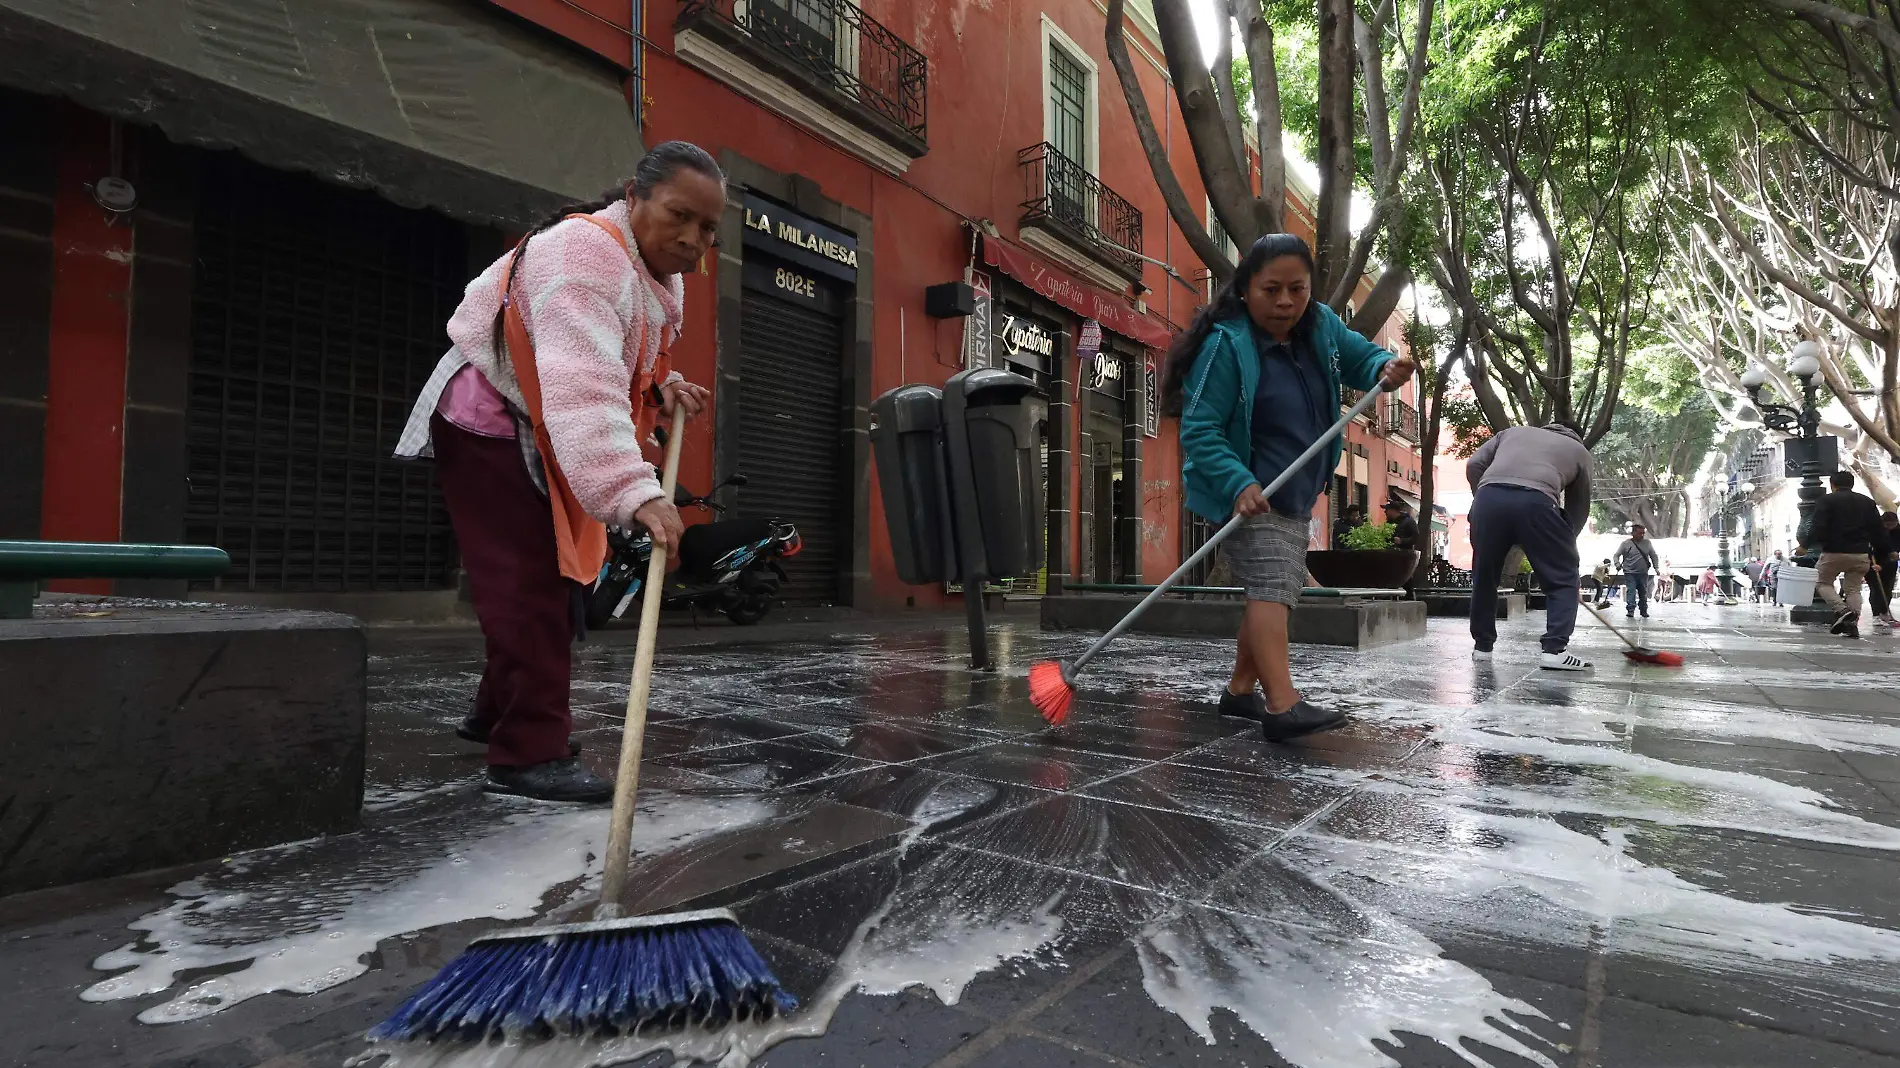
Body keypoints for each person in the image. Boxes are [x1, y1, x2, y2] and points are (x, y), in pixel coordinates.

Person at [394, 141, 723, 802]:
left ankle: (499, 713)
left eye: (708, 228)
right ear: (634, 199)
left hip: (540, 422)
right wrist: (635, 491)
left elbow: (619, 359)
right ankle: (527, 752)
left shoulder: (645, 275)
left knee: (549, 585)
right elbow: (582, 386)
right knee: (531, 587)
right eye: (679, 216)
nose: (692, 239)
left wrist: (660, 390)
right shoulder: (583, 256)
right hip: (490, 420)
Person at [1170, 233, 1415, 741]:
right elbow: (1200, 428)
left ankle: (1240, 690)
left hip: (1298, 489)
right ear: (1245, 290)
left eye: (1297, 290)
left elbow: (1361, 357)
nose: (1285, 302)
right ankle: (1281, 706)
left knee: (1275, 587)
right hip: (1251, 496)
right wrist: (1238, 481)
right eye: (1272, 289)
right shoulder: (1226, 346)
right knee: (1273, 589)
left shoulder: (1321, 324)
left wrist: (1382, 369)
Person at [1462, 422, 1595, 669]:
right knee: (1563, 579)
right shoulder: (1580, 451)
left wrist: (1484, 498)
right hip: (1538, 502)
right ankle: (1555, 651)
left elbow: (1473, 465)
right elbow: (1579, 506)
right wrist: (1563, 545)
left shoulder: (1511, 432)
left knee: (1484, 576)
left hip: (1487, 499)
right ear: (1577, 436)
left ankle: (1482, 647)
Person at [1807, 469, 1890, 638]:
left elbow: (1818, 525)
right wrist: (1883, 552)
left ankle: (1842, 610)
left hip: (1833, 551)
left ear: (1832, 485)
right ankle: (1852, 623)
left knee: (1822, 582)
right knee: (1853, 589)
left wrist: (1805, 544)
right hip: (1860, 554)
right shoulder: (1867, 502)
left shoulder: (1826, 501)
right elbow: (1878, 530)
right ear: (1852, 484)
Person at [1614, 525, 1660, 619]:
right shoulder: (1625, 544)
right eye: (1640, 533)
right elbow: (1616, 555)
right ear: (1633, 533)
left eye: (1643, 533)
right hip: (1629, 572)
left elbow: (1653, 556)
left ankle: (1643, 610)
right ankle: (1630, 610)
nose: (1642, 535)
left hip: (1643, 573)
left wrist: (1656, 568)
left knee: (1643, 592)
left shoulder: (1647, 543)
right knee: (1631, 591)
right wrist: (1617, 564)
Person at [1872, 512, 1900, 627]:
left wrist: (1883, 565)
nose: (1889, 527)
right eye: (1887, 525)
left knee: (1888, 587)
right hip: (1874, 561)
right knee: (1876, 588)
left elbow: (1894, 553)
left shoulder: (1898, 532)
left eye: (1892, 525)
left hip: (1890, 561)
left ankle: (1884, 612)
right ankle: (1876, 614)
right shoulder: (1876, 531)